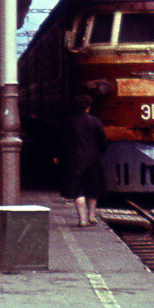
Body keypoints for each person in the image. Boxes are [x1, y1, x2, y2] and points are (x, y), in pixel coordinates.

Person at [54, 94, 108, 227]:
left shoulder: (71, 122)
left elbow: (63, 142)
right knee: (93, 189)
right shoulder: (96, 122)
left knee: (78, 190)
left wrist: (58, 156)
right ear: (88, 108)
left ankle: (82, 219)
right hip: (93, 160)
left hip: (75, 161)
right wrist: (99, 153)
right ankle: (92, 216)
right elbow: (103, 141)